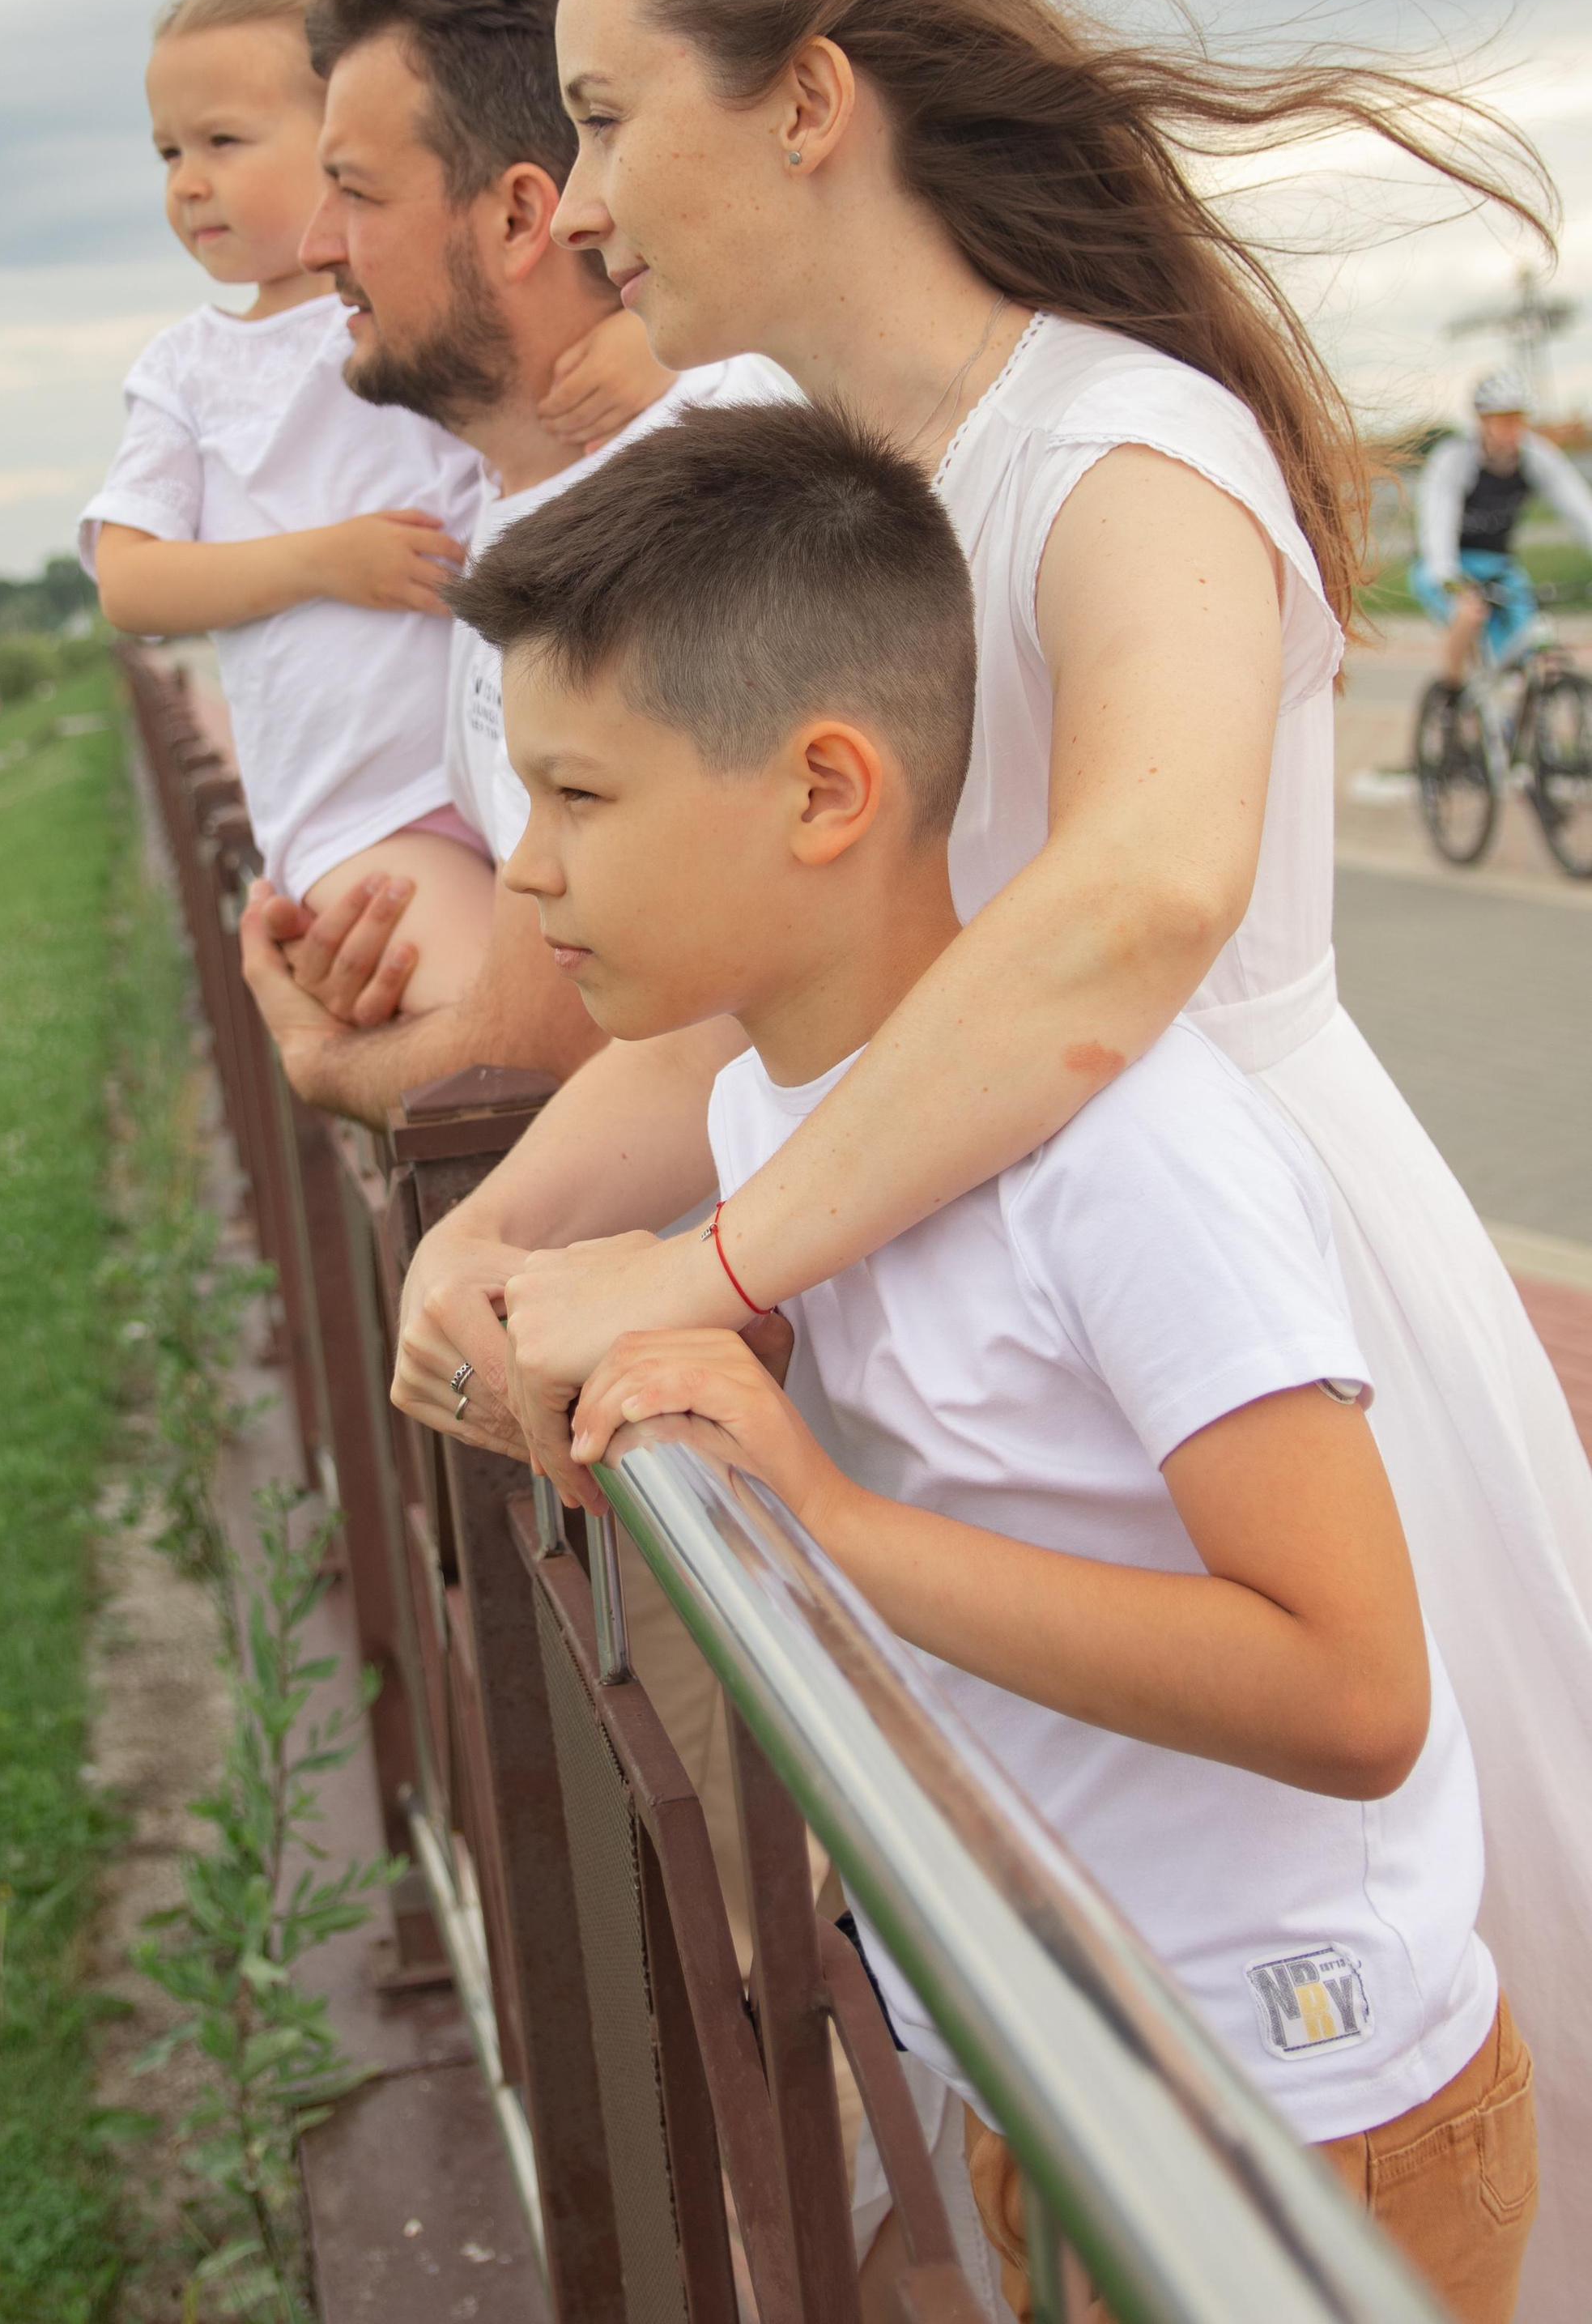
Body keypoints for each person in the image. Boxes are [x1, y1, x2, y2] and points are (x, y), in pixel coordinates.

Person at [382, 0, 1592, 2317]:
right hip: (996, 1345)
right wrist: (493, 1231)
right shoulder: (802, 475)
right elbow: (757, 1005)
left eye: (605, 116)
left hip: (1256, 1334)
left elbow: (1131, 897)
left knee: (1384, 2084)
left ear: (805, 100)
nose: (572, 202)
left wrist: (707, 1265)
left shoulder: (1114, 450)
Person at [448, 394, 1533, 2324]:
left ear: (821, 791)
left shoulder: (1125, 1157)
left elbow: (1353, 1685)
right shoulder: (762, 1134)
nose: (525, 870)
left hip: (1290, 2100)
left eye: (577, 796)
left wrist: (823, 1518)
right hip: (1054, 2030)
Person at [236, 0, 791, 1126]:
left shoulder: (664, 509)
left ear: (516, 217)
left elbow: (534, 1051)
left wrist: (319, 1055)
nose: (315, 244)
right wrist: (388, 976)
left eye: (355, 191)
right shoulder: (526, 501)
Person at [81, 0, 656, 1010]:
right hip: (361, 808)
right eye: (168, 152)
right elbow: (130, 581)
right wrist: (319, 562)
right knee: (499, 1015)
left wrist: (646, 346)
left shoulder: (437, 309)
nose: (187, 182)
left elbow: (568, 384)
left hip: (493, 769)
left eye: (222, 141)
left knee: (576, 993)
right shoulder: (191, 367)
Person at [1411, 369, 1592, 684]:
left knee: (1534, 641)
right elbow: (1437, 525)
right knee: (1469, 615)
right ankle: (1451, 699)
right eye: (1503, 420)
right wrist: (1448, 578)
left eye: (1518, 419)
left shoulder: (1537, 455)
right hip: (1449, 565)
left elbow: (1580, 509)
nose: (1513, 429)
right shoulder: (1454, 459)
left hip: (1498, 565)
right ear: (1483, 421)